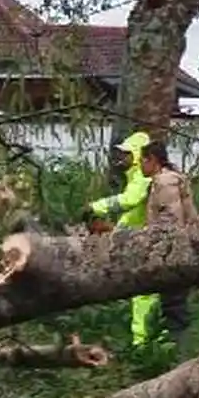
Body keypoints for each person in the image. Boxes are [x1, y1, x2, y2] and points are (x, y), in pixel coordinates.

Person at [85, 131, 154, 347]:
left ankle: (144, 345)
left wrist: (96, 207)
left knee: (145, 296)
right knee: (142, 295)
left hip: (146, 241)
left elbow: (128, 201)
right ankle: (146, 343)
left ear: (137, 155)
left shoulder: (142, 178)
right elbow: (131, 215)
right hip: (139, 238)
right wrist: (115, 230)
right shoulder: (135, 177)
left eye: (126, 154)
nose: (122, 158)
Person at [140, 140, 199, 347]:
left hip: (172, 251)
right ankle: (173, 347)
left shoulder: (165, 183)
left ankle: (176, 350)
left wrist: (159, 246)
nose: (140, 166)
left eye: (143, 161)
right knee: (173, 303)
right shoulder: (173, 179)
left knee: (174, 305)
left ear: (153, 160)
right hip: (181, 247)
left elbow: (170, 218)